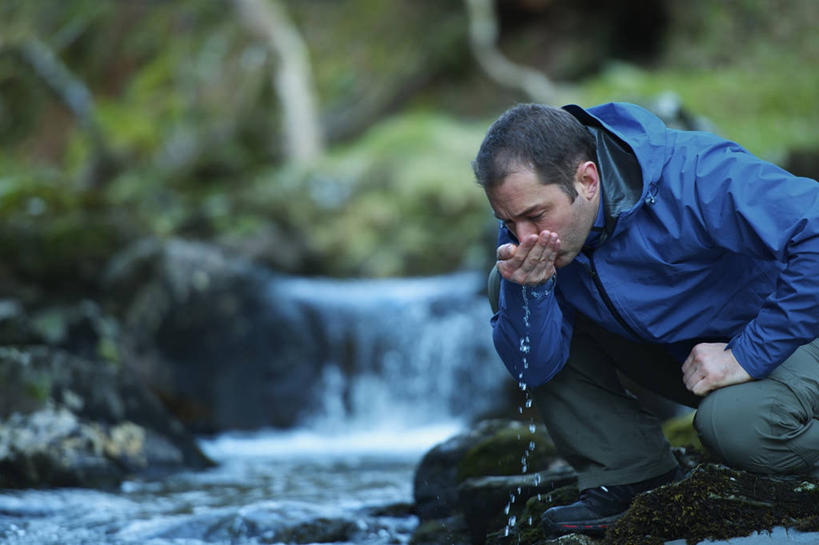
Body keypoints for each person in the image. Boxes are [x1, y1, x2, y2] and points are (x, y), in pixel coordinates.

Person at [473, 102, 819, 536]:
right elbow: (537, 366)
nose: (523, 237)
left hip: (795, 336)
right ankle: (631, 471)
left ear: (587, 180)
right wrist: (533, 290)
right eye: (507, 220)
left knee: (731, 426)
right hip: (693, 361)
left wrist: (747, 354)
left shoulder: (697, 174)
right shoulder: (531, 237)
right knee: (506, 283)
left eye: (536, 216)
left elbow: (816, 228)